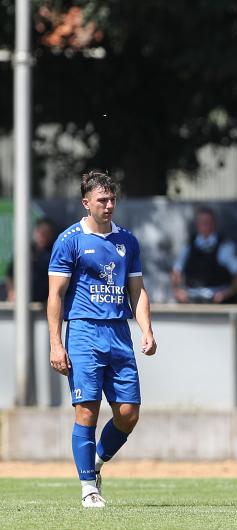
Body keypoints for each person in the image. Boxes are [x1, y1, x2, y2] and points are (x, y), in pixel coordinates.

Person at [47, 170, 157, 508]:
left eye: (112, 199)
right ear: (86, 203)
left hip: (119, 333)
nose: (109, 205)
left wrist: (147, 329)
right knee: (87, 411)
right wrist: (56, 342)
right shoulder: (70, 241)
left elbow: (136, 291)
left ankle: (94, 463)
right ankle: (87, 488)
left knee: (128, 413)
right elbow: (55, 295)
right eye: (102, 200)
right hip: (83, 331)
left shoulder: (128, 241)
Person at [171, 207, 237, 303]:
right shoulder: (188, 246)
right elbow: (176, 271)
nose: (205, 225)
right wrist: (177, 291)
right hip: (192, 299)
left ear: (214, 224)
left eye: (208, 222)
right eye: (202, 222)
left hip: (216, 300)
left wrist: (228, 292)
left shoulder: (225, 246)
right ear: (197, 224)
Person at [5, 217, 56, 303]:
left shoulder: (55, 252)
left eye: (46, 233)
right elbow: (10, 275)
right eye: (40, 232)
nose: (42, 236)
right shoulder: (25, 250)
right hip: (23, 303)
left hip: (46, 303)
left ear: (51, 234)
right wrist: (12, 292)